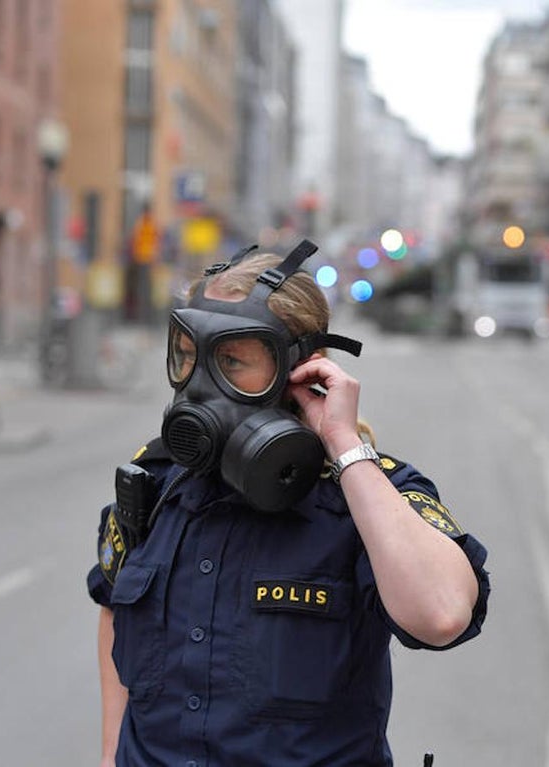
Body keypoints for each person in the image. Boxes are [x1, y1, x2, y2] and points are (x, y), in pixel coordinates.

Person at [87, 239, 491, 767]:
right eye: (187, 356)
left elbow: (440, 615)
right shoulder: (157, 483)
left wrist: (344, 445)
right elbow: (115, 610)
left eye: (232, 359)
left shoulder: (365, 496)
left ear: (302, 368)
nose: (199, 383)